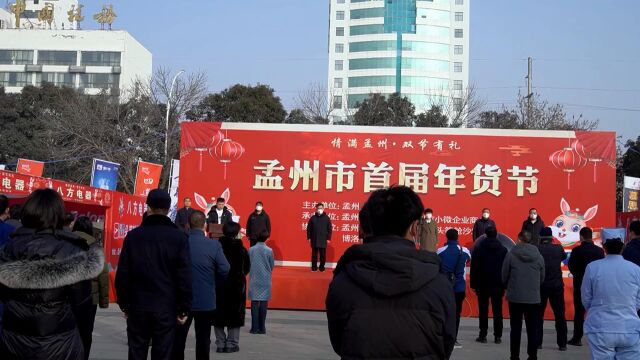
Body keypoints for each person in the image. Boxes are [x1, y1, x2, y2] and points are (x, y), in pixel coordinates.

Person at [326, 186, 456, 360]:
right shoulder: (439, 284)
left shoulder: (343, 281)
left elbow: (338, 342)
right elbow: (446, 344)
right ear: (415, 228)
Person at [0, 189, 104, 360]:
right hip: (60, 345)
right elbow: (83, 306)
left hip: (14, 343)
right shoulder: (72, 251)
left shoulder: (8, 249)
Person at [115, 189, 192, 360]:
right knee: (163, 352)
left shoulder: (133, 236)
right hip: (166, 306)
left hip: (138, 305)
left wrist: (124, 304)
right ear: (168, 208)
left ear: (148, 207)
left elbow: (123, 273)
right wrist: (184, 307)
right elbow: (184, 275)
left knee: (136, 351)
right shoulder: (179, 238)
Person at [172, 210, 230, 360]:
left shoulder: (179, 244)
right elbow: (225, 268)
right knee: (203, 340)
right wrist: (213, 282)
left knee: (178, 340)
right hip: (206, 301)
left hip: (181, 300)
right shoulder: (213, 245)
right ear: (205, 225)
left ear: (187, 225)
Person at [582, 228, 640, 360]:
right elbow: (638, 300)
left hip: (600, 327)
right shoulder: (636, 269)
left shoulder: (593, 267)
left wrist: (597, 309)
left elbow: (586, 298)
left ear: (603, 246)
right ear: (623, 246)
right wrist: (628, 308)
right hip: (629, 327)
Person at [502, 231, 545, 360]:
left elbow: (504, 275)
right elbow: (542, 277)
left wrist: (508, 287)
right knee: (533, 329)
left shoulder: (510, 255)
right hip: (533, 297)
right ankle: (532, 356)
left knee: (515, 329)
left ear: (519, 239)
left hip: (515, 297)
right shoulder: (539, 257)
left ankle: (514, 356)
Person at [72, 216, 110, 360]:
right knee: (86, 333)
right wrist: (104, 301)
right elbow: (103, 275)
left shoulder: (67, 242)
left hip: (68, 297)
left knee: (69, 331)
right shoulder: (96, 247)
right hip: (90, 298)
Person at [213, 221, 250, 353]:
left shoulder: (216, 247)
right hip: (236, 287)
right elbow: (246, 268)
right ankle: (231, 344)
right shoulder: (241, 250)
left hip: (219, 286)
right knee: (235, 314)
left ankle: (220, 343)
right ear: (236, 233)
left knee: (218, 315)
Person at [567, 227, 604, 347]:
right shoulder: (599, 251)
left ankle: (577, 338)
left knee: (579, 312)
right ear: (591, 236)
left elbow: (571, 267)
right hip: (596, 285)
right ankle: (598, 337)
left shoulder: (577, 250)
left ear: (581, 237)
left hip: (580, 284)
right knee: (597, 311)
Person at [470, 226, 508, 344]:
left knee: (483, 309)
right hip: (498, 284)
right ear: (496, 235)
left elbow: (474, 268)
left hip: (482, 284)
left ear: (485, 235)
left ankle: (483, 334)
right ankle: (498, 336)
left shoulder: (479, 248)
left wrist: (473, 284)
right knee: (498, 310)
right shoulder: (503, 250)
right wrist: (505, 284)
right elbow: (506, 269)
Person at [438, 228, 471, 347]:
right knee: (456, 314)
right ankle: (453, 338)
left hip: (444, 288)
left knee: (443, 313)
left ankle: (442, 337)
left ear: (446, 237)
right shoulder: (465, 251)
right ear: (457, 237)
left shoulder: (440, 251)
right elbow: (468, 261)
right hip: (459, 288)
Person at [537, 227, 568, 351]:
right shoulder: (558, 248)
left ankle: (538, 342)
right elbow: (563, 257)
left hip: (541, 285)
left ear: (540, 238)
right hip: (556, 286)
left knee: (538, 315)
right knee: (560, 315)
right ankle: (562, 344)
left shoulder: (537, 249)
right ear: (551, 237)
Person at [248, 234, 275, 335]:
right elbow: (272, 265)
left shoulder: (251, 249)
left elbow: (248, 263)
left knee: (254, 303)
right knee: (264, 303)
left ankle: (254, 328)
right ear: (266, 238)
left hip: (254, 278)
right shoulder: (269, 250)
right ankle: (262, 328)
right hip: (265, 279)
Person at [307, 203, 332, 272]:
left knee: (322, 255)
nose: (319, 209)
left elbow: (329, 229)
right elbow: (309, 228)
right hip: (314, 239)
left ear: (323, 209)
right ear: (316, 209)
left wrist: (328, 238)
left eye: (321, 208)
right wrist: (309, 237)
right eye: (318, 208)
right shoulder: (312, 218)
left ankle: (322, 268)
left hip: (323, 239)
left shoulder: (327, 218)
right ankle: (314, 268)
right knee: (314, 255)